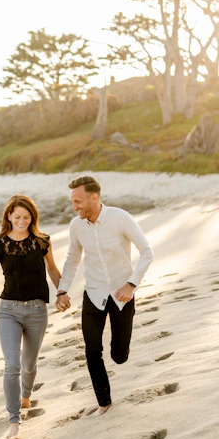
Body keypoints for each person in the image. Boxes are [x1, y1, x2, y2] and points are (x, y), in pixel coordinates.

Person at [0, 195, 62, 439]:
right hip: (8, 310)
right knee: (11, 365)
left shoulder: (42, 241)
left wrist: (62, 292)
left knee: (29, 364)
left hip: (38, 310)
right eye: (17, 216)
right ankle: (14, 419)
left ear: (33, 218)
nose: (21, 221)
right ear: (8, 216)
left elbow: (52, 269)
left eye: (26, 217)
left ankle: (26, 396)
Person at [55, 176, 154, 416]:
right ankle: (104, 402)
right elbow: (72, 259)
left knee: (119, 356)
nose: (74, 207)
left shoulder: (120, 218)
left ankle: (118, 349)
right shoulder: (76, 226)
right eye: (72, 202)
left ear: (94, 197)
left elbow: (147, 252)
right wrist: (62, 289)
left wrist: (131, 285)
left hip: (122, 295)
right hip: (94, 293)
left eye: (78, 201)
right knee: (91, 350)